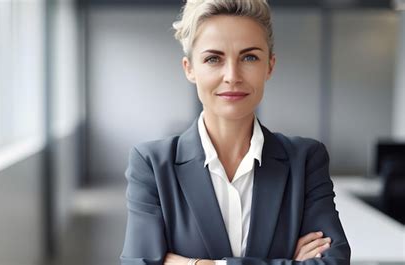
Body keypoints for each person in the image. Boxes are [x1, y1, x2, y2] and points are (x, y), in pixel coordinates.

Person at [120, 0, 351, 264]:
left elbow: (332, 261)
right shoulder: (151, 163)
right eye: (213, 59)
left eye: (249, 57)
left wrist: (196, 263)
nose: (232, 75)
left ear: (270, 66)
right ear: (190, 69)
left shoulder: (306, 159)